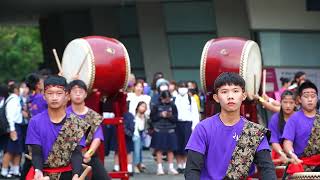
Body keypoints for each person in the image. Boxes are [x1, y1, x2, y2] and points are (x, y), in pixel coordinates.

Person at [185, 72, 276, 180]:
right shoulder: (203, 128)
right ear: (216, 97)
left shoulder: (254, 131)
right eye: (224, 92)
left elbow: (267, 169)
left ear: (244, 95)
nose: (230, 96)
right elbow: (192, 170)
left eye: (235, 91)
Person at [25, 75, 89, 180]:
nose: (54, 97)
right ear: (44, 96)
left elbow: (77, 154)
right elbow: (36, 153)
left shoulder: (77, 123)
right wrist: (38, 171)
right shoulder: (35, 122)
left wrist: (76, 175)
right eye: (50, 93)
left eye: (59, 93)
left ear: (67, 96)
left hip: (69, 174)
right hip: (43, 175)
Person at [67, 80, 110, 180]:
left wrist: (89, 153)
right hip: (69, 156)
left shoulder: (94, 116)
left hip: (88, 153)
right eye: (74, 91)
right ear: (69, 94)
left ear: (86, 94)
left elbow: (97, 137)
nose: (78, 94)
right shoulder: (64, 114)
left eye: (80, 91)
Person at [282, 81, 320, 174]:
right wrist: (291, 154)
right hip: (301, 164)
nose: (310, 99)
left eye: (313, 96)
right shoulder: (294, 119)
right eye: (306, 96)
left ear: (317, 98)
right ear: (299, 99)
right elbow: (287, 142)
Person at [150, 90, 179, 175]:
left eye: (169, 98)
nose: (167, 100)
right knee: (159, 149)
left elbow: (175, 119)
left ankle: (171, 167)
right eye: (165, 99)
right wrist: (160, 115)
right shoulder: (156, 106)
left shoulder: (173, 106)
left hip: (170, 129)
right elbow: (152, 118)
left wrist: (169, 116)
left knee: (171, 149)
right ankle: (159, 168)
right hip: (159, 129)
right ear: (161, 98)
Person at [174, 81, 200, 173]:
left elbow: (195, 113)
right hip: (177, 124)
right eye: (180, 86)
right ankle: (179, 164)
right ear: (177, 88)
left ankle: (185, 164)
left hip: (187, 124)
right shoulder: (174, 98)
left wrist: (194, 126)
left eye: (184, 86)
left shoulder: (191, 99)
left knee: (186, 144)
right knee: (177, 144)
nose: (182, 88)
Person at [1, 84, 24, 178]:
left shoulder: (9, 98)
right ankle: (4, 171)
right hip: (14, 126)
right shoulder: (14, 99)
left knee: (17, 150)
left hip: (16, 126)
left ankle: (15, 170)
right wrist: (12, 130)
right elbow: (10, 115)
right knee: (10, 150)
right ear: (15, 90)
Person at [268, 90, 296, 164]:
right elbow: (274, 141)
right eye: (285, 102)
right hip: (279, 151)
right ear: (280, 102)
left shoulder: (299, 118)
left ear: (295, 104)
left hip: (296, 150)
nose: (288, 105)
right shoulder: (275, 118)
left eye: (291, 102)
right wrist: (282, 153)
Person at [132, 101, 148, 173]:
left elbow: (145, 126)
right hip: (136, 134)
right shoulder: (134, 116)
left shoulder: (145, 116)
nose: (143, 108)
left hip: (142, 134)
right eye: (141, 106)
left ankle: (139, 165)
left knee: (141, 151)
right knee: (137, 151)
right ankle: (135, 165)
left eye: (144, 107)